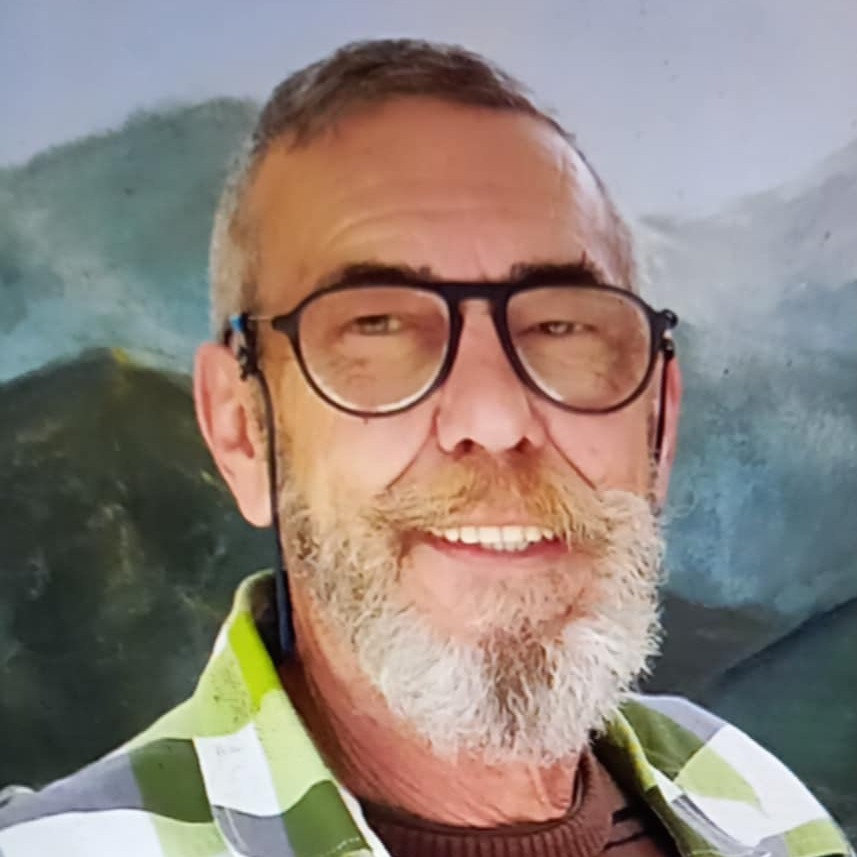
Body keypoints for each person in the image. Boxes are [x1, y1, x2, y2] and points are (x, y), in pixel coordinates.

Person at [0, 38, 851, 857]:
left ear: (656, 423)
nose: (496, 415)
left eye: (560, 326)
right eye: (377, 327)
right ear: (241, 430)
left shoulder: (751, 800)